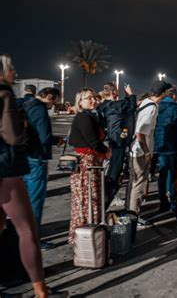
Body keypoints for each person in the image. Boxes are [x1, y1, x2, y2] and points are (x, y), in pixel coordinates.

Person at [0, 54, 49, 297]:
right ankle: (41, 291)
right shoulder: (5, 94)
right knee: (26, 230)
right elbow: (13, 137)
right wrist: (24, 128)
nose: (14, 72)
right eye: (11, 68)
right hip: (6, 170)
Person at [68, 88, 111, 244]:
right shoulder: (84, 118)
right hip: (87, 163)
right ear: (80, 101)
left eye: (94, 97)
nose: (93, 100)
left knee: (88, 197)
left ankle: (87, 232)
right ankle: (85, 234)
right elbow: (94, 142)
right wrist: (106, 151)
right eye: (89, 98)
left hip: (91, 162)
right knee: (88, 198)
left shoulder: (88, 116)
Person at [22, 87, 63, 250]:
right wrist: (58, 140)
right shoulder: (39, 109)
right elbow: (44, 137)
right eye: (54, 102)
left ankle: (23, 234)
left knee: (24, 201)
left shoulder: (27, 104)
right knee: (35, 202)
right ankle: (33, 239)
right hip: (36, 158)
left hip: (24, 157)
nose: (53, 106)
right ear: (49, 96)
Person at [96, 82, 137, 208]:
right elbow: (130, 107)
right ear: (114, 92)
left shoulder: (102, 106)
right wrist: (130, 94)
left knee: (111, 167)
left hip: (110, 139)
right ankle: (108, 197)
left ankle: (106, 195)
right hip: (119, 140)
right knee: (115, 170)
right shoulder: (116, 105)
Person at [126, 82, 162, 222]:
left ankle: (130, 211)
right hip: (141, 151)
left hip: (135, 149)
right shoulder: (152, 107)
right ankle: (134, 216)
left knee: (134, 182)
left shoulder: (145, 102)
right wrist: (147, 152)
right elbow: (140, 132)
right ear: (163, 94)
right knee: (139, 183)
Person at [154, 85, 177, 213]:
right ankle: (172, 202)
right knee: (172, 176)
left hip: (160, 147)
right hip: (172, 147)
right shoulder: (175, 108)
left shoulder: (157, 107)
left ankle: (162, 202)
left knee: (162, 174)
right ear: (174, 96)